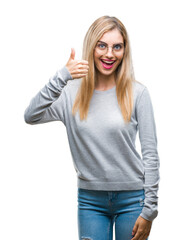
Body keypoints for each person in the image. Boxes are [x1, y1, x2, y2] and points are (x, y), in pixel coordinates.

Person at [24, 15, 160, 240]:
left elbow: (150, 155)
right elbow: (31, 115)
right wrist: (62, 76)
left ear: (124, 51)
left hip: (133, 199)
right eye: (102, 45)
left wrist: (150, 210)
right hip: (90, 202)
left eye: (117, 47)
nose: (109, 54)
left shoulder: (138, 94)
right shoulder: (70, 94)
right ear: (91, 48)